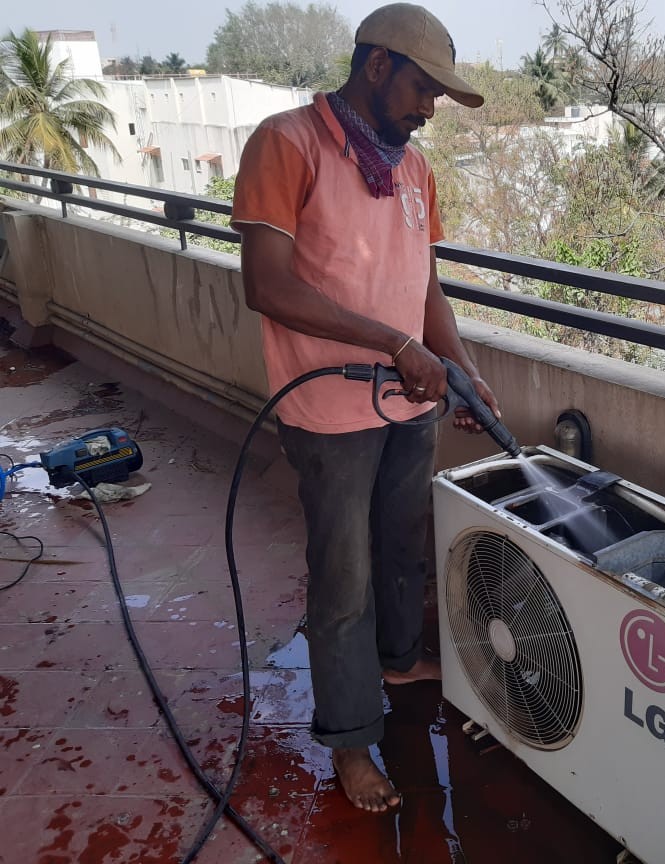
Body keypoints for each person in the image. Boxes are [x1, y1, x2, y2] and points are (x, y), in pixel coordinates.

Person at [230, 3, 496, 814]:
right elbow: (266, 286)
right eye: (423, 87)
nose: (430, 108)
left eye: (440, 96)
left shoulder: (412, 168)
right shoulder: (287, 142)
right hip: (330, 416)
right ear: (375, 65)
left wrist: (458, 366)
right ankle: (350, 737)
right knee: (341, 578)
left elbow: (424, 282)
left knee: (402, 547)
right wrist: (395, 345)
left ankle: (396, 658)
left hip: (407, 405)